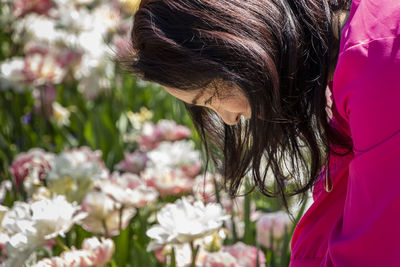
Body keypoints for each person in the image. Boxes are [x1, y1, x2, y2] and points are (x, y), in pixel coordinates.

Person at [118, 0, 400, 266]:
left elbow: (372, 249)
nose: (229, 119)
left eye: (212, 97)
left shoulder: (376, 62)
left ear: (238, 42)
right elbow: (328, 229)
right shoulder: (356, 55)